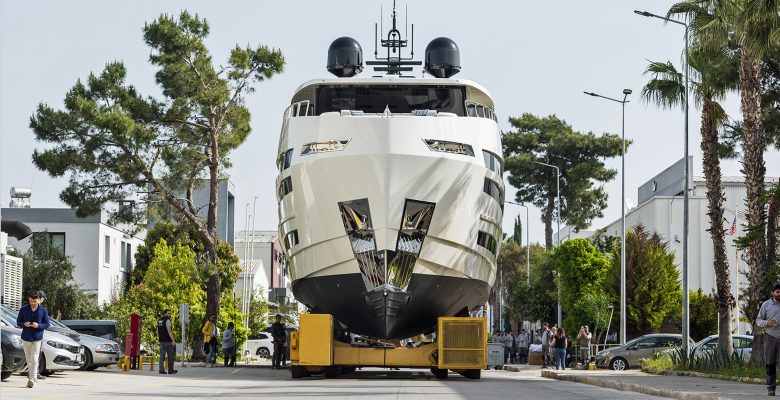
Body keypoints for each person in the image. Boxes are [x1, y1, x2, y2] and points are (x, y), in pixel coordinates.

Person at [16, 290, 50, 388]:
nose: (33, 303)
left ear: (39, 300)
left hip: (37, 338)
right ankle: (32, 379)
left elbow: (47, 324)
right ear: (29, 299)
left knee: (34, 359)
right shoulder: (23, 309)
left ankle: (32, 379)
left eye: (35, 301)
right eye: (31, 301)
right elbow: (18, 322)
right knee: (29, 360)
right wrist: (24, 324)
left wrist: (38, 325)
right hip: (26, 338)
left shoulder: (43, 310)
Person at [758, 282, 780, 396]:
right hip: (770, 337)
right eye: (777, 292)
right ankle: (771, 388)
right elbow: (758, 321)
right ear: (772, 293)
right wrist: (767, 322)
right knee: (770, 363)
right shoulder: (766, 305)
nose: (779, 294)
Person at [157, 309, 178, 375]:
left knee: (162, 356)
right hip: (168, 341)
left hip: (161, 341)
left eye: (170, 313)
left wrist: (160, 338)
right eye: (168, 313)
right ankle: (171, 370)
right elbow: (169, 331)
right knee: (170, 356)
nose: (170, 315)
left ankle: (161, 370)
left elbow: (157, 331)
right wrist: (173, 340)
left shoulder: (159, 320)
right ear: (165, 314)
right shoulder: (167, 320)